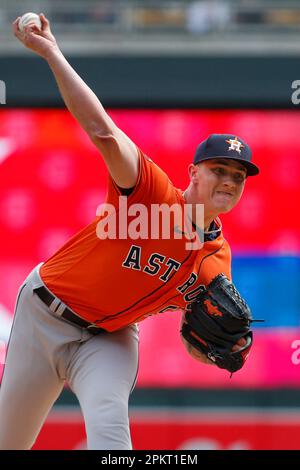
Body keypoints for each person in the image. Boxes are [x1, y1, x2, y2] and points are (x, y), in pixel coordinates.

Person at [0, 14, 259, 450]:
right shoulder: (151, 194)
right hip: (43, 315)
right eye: (219, 170)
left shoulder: (218, 262)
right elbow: (103, 131)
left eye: (239, 175)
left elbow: (195, 338)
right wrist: (51, 52)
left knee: (112, 439)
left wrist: (222, 352)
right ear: (194, 172)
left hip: (110, 338)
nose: (230, 181)